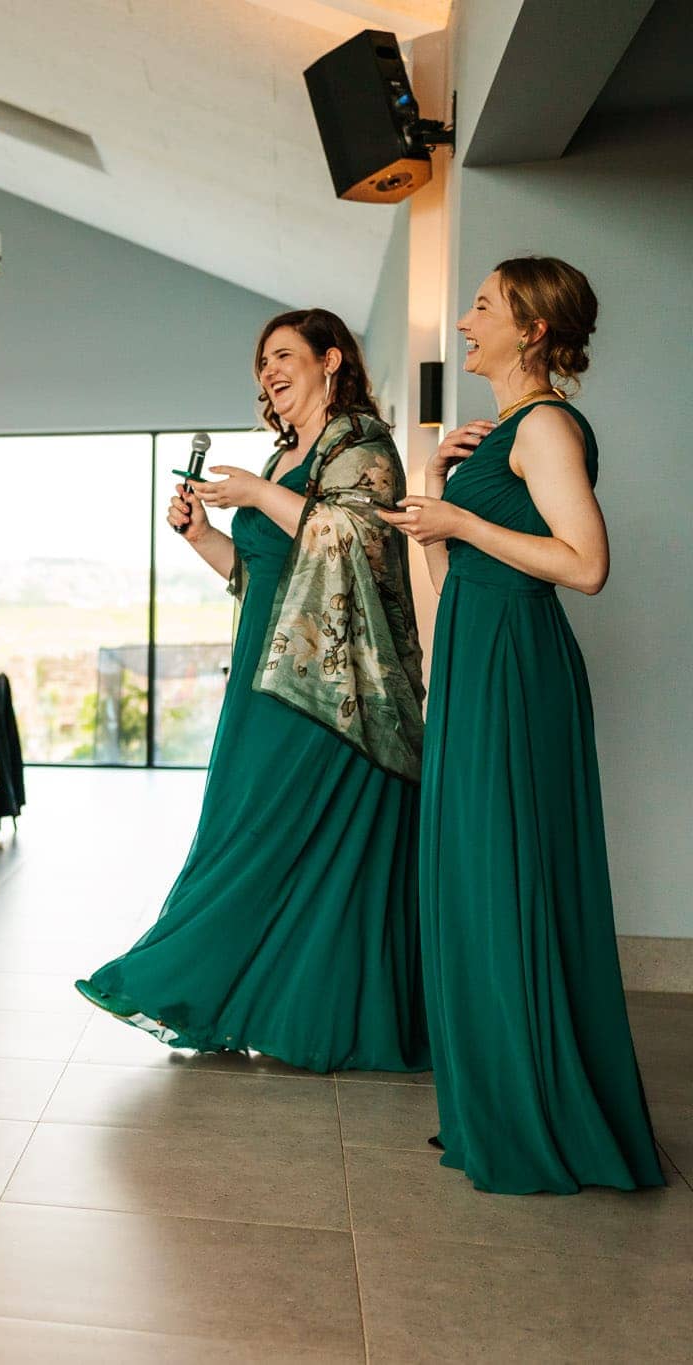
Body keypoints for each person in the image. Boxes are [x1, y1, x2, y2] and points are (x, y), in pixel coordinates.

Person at [75, 308, 428, 1074]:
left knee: (277, 839)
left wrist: (259, 494)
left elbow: (361, 542)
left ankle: (191, 980)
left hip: (328, 691)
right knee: (240, 829)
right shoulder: (279, 459)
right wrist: (202, 533)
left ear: (330, 360)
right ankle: (224, 994)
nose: (269, 371)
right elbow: (259, 573)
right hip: (261, 677)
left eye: (284, 354)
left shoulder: (361, 446)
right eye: (262, 361)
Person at [379, 257, 661, 1194]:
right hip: (475, 659)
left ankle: (538, 1109)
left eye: (482, 306)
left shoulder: (544, 426)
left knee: (509, 876)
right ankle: (494, 1100)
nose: (465, 322)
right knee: (472, 878)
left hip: (516, 668)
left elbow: (586, 565)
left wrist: (461, 520)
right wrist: (438, 495)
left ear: (532, 329)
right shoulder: (496, 435)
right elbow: (451, 579)